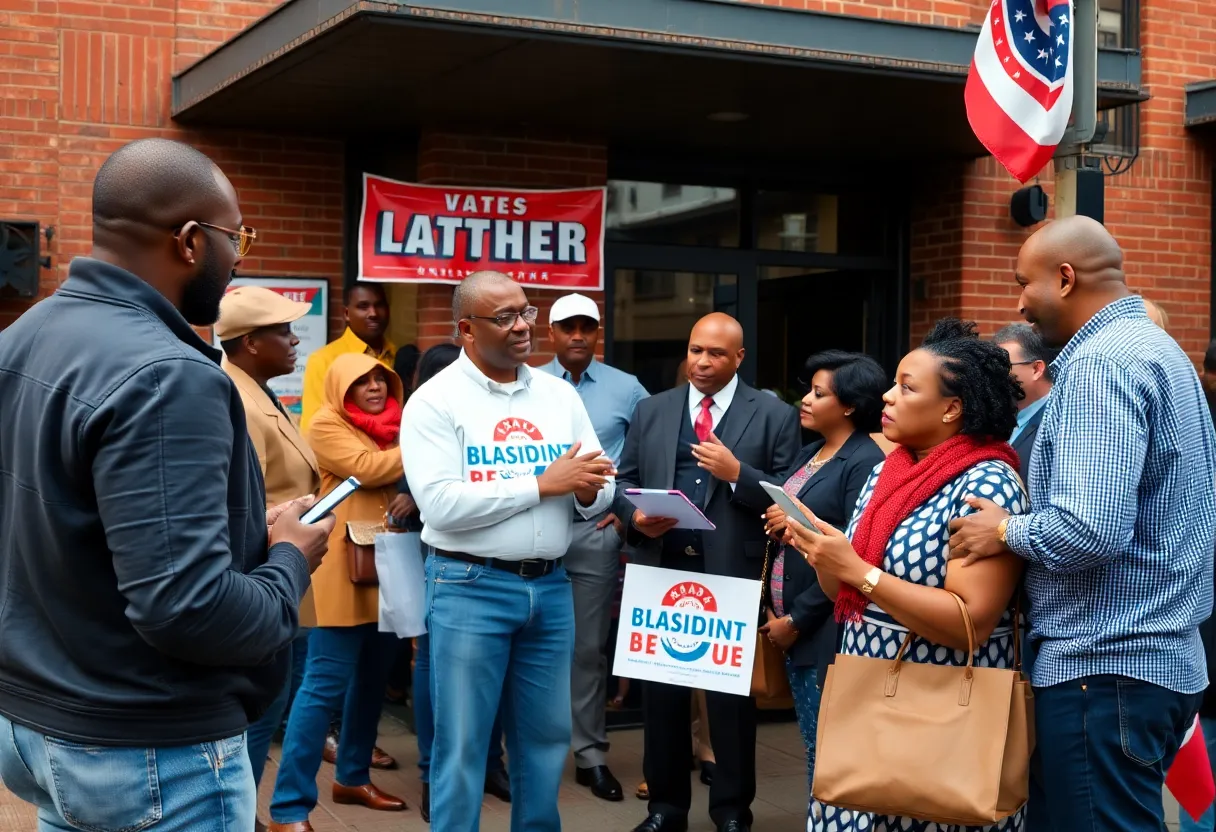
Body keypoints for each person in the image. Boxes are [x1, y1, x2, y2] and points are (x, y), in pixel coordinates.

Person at [0, 138, 332, 831]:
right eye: (234, 236)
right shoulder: (167, 374)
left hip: (37, 727)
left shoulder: (24, 335)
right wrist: (290, 559)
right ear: (189, 241)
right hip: (145, 752)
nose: (239, 254)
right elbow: (188, 608)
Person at [949, 216, 1216, 832]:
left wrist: (1005, 531)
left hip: (1106, 668)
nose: (1019, 302)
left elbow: (1090, 530)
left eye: (1024, 283)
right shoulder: (1159, 350)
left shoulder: (1101, 364)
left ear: (1064, 278)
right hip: (1151, 664)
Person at [781, 318, 1028, 832]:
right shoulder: (886, 472)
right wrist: (827, 558)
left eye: (907, 387)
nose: (888, 397)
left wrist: (860, 571)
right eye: (894, 383)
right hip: (865, 697)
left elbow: (970, 624)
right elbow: (846, 589)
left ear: (952, 408)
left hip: (938, 713)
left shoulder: (988, 482)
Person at [401, 270, 616, 832]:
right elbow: (442, 505)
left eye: (525, 310)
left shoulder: (558, 394)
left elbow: (600, 482)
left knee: (545, 742)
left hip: (550, 586)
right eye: (505, 317)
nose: (523, 326)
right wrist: (545, 483)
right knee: (464, 744)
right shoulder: (434, 401)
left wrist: (590, 491)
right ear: (466, 329)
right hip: (469, 587)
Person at [616, 311, 802, 832]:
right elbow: (623, 479)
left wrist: (739, 474)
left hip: (730, 575)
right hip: (661, 568)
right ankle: (665, 811)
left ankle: (731, 813)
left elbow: (792, 489)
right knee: (663, 700)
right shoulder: (653, 409)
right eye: (696, 350)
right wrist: (636, 517)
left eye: (715, 353)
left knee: (729, 705)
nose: (701, 361)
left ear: (738, 358)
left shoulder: (772, 414)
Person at [268, 355, 408, 831]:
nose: (374, 388)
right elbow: (367, 469)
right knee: (322, 689)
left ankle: (351, 778)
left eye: (380, 380)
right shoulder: (326, 422)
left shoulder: (396, 425)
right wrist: (429, 447)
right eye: (362, 382)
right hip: (340, 573)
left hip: (388, 567)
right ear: (339, 388)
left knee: (372, 682)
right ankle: (289, 807)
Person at [758, 350, 887, 811]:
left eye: (818, 393)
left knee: (827, 749)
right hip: (794, 624)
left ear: (850, 405)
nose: (805, 401)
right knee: (814, 743)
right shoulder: (812, 451)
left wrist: (796, 617)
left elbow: (854, 551)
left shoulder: (864, 461)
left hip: (824, 625)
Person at [215, 287, 324, 805]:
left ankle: (244, 808)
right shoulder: (237, 396)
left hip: (285, 570)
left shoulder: (258, 389)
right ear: (251, 342)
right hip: (264, 575)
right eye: (283, 330)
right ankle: (238, 810)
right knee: (261, 707)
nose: (294, 338)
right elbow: (241, 503)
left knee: (274, 700)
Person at [540, 291, 650, 802]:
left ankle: (590, 755)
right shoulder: (528, 383)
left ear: (597, 332)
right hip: (530, 527)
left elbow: (651, 453)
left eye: (587, 327)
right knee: (524, 647)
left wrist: (624, 509)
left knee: (587, 649)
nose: (578, 336)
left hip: (593, 532)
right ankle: (521, 756)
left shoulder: (627, 389)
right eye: (568, 327)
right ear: (552, 333)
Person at [403, 341, 513, 822]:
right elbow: (434, 493)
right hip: (447, 558)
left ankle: (490, 763)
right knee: (437, 670)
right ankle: (432, 776)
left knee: (490, 675)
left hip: (495, 555)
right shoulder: (430, 411)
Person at [300, 281, 394, 432]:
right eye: (363, 306)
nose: (373, 313)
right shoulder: (324, 360)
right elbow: (313, 428)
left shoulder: (400, 355)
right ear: (346, 314)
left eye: (379, 305)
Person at [992, 323, 1054, 487]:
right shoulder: (995, 418)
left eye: (1003, 366)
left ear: (1036, 369)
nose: (994, 375)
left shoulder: (1058, 422)